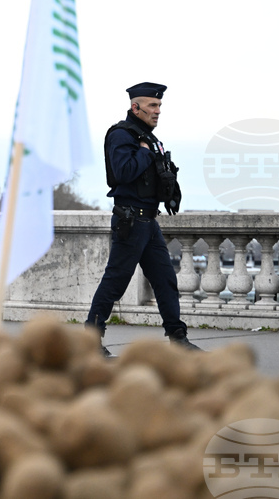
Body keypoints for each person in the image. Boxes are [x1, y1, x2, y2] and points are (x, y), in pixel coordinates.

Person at [85, 82, 202, 355]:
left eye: (159, 105)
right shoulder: (121, 135)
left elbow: (160, 173)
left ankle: (178, 339)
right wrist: (145, 151)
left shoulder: (148, 138)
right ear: (135, 107)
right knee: (115, 283)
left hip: (149, 222)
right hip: (130, 221)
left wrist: (172, 193)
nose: (158, 110)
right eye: (152, 105)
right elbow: (123, 172)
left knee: (165, 281)